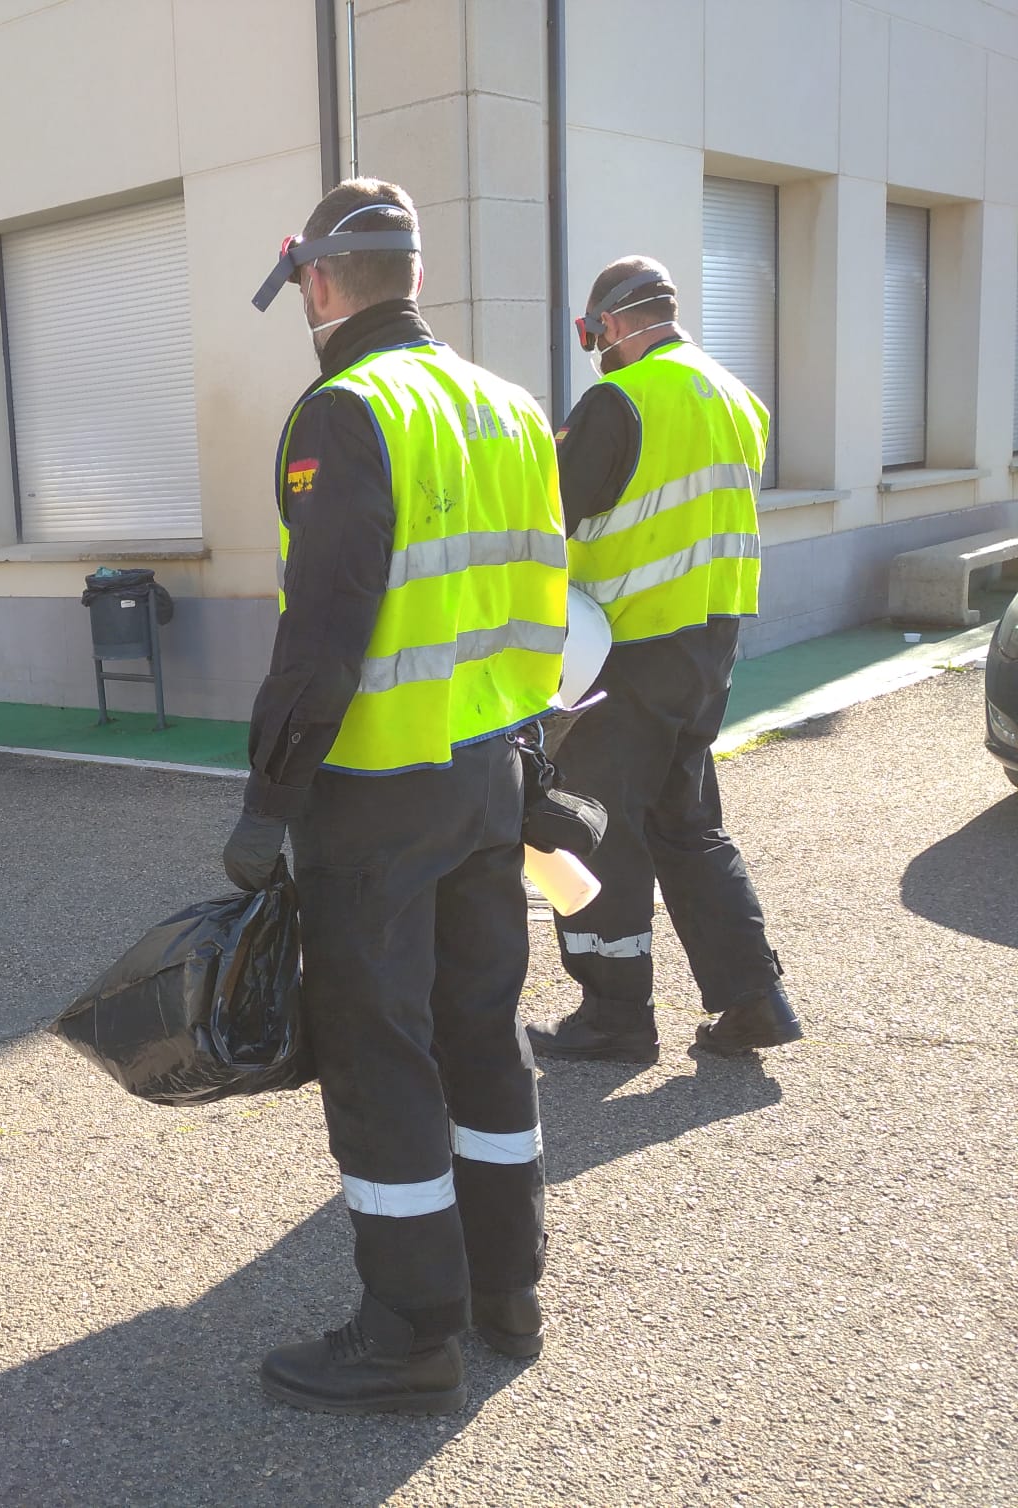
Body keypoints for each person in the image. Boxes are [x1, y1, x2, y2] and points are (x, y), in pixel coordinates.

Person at [225, 178, 568, 1415]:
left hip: (376, 792)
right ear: (411, 276)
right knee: (483, 1025)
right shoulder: (513, 408)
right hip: (489, 774)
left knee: (381, 1052)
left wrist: (268, 805)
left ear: (320, 285)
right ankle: (505, 1287)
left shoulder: (344, 411)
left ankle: (408, 1332)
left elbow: (323, 631)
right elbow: (541, 607)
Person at [526, 258, 803, 1064]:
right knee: (686, 823)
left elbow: (547, 520)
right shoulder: (737, 398)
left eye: (591, 335)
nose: (594, 349)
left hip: (624, 650)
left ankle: (615, 1018)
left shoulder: (620, 400)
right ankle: (755, 1000)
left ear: (609, 325)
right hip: (708, 647)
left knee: (593, 828)